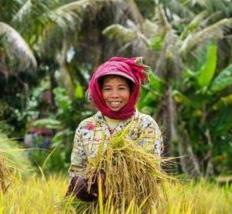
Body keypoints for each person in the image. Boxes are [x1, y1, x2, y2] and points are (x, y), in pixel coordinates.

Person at [66, 56, 163, 202]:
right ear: (99, 92)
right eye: (107, 89)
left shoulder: (145, 125)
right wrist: (77, 183)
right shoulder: (86, 127)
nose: (114, 95)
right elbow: (77, 168)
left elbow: (150, 175)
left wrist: (107, 182)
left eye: (121, 88)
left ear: (132, 91)